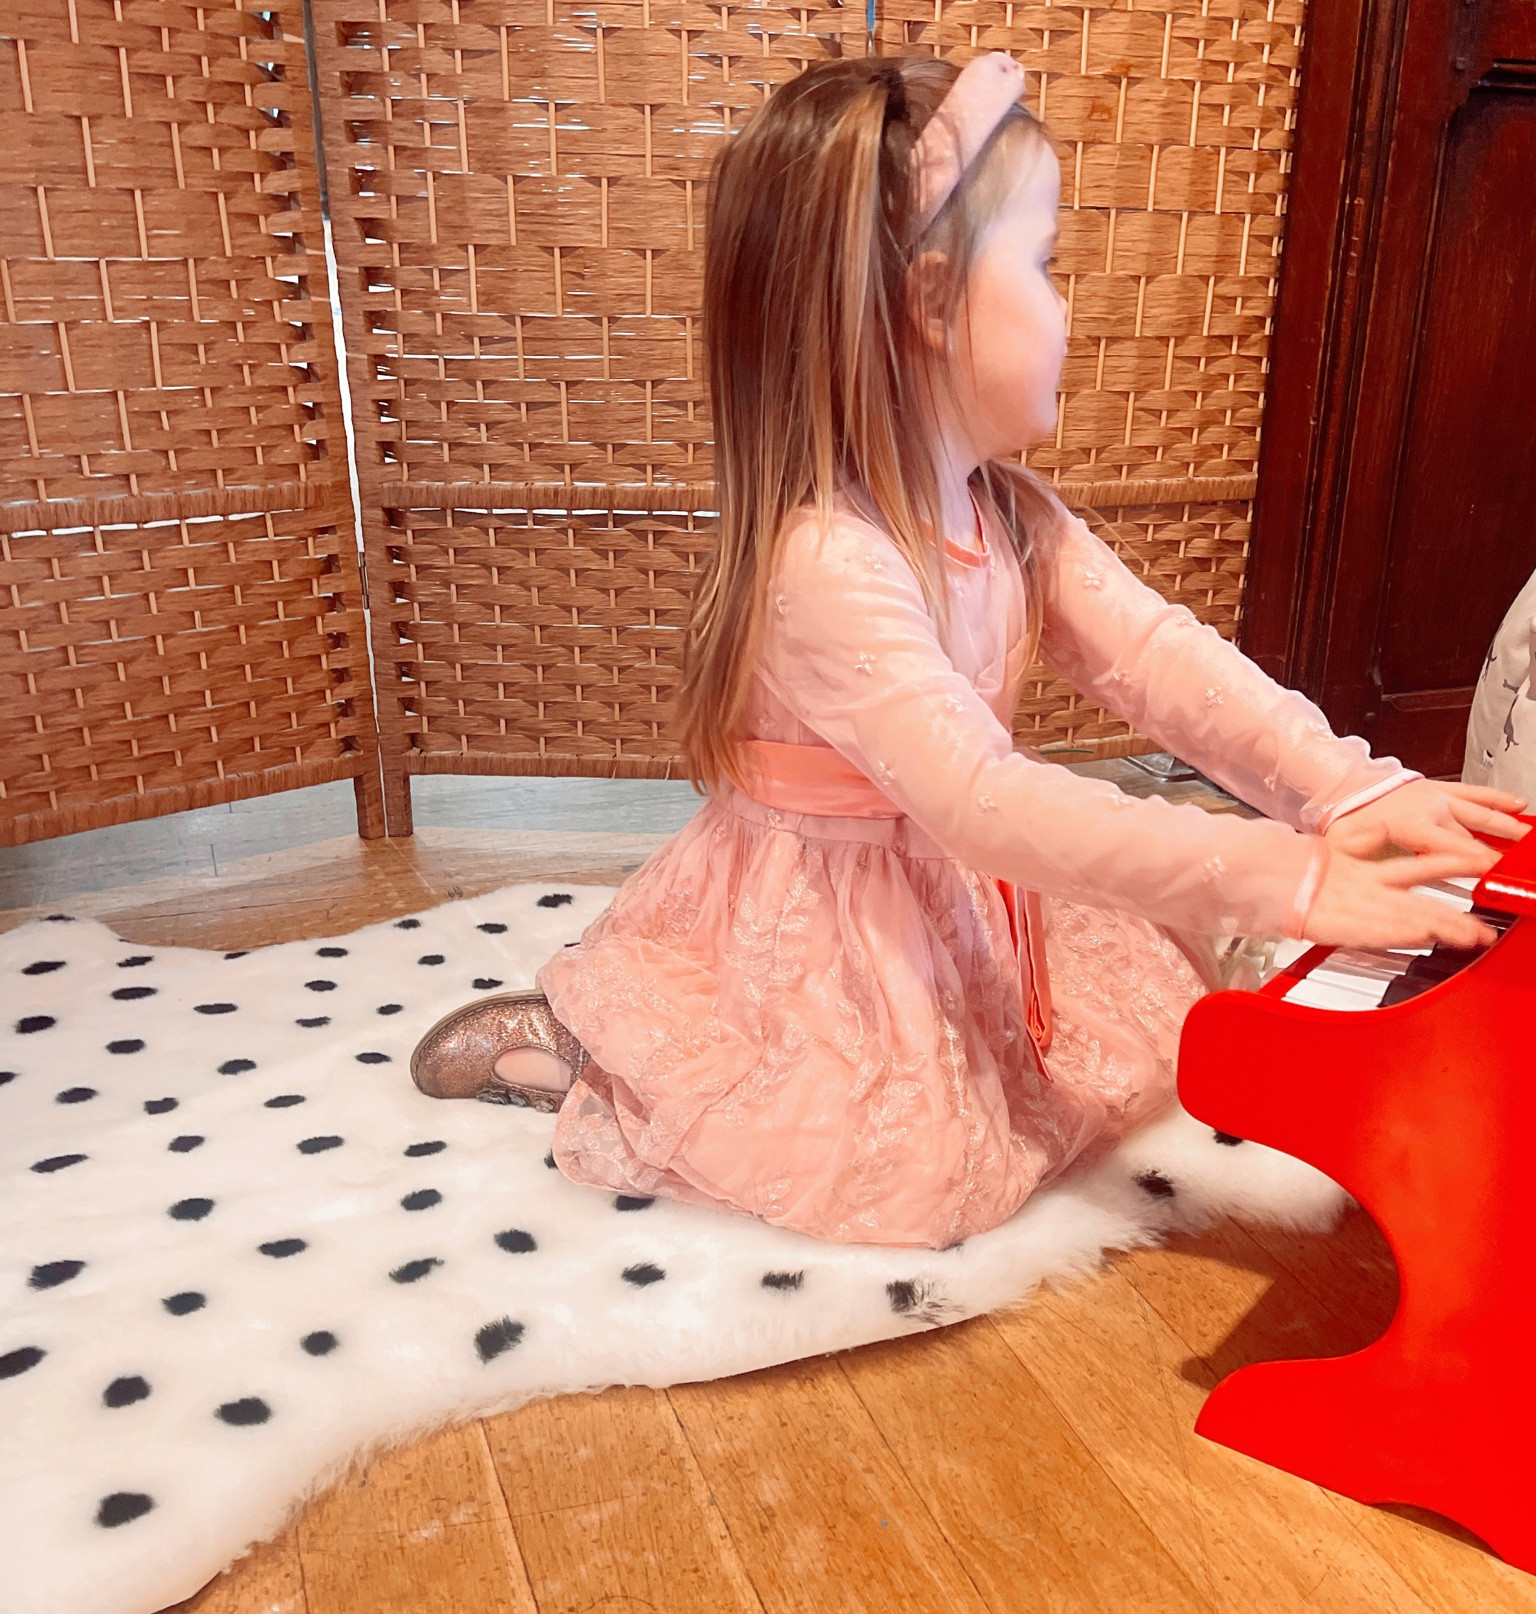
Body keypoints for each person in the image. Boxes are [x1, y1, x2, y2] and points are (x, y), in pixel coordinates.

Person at [410, 53, 1526, 1250]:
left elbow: (1163, 663)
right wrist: (1290, 874)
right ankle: (596, 1042)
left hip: (948, 889)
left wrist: (1347, 787)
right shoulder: (825, 561)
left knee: (1125, 1023)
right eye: (1043, 269)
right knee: (904, 1162)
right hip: (833, 911)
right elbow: (983, 805)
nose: (1066, 308)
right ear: (932, 303)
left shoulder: (1012, 512)